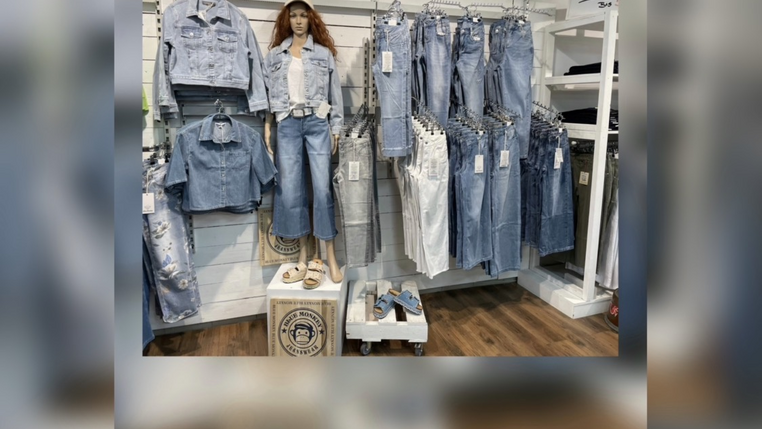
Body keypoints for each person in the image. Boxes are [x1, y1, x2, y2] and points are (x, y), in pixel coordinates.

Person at [263, 0, 344, 283]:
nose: (298, 21)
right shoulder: (274, 56)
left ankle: (329, 255)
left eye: (303, 15)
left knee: (322, 190)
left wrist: (335, 127)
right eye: (293, 15)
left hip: (317, 123)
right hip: (286, 124)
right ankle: (302, 257)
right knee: (290, 190)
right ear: (287, 19)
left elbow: (335, 95)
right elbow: (269, 95)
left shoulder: (323, 54)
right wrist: (268, 125)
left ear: (311, 19)